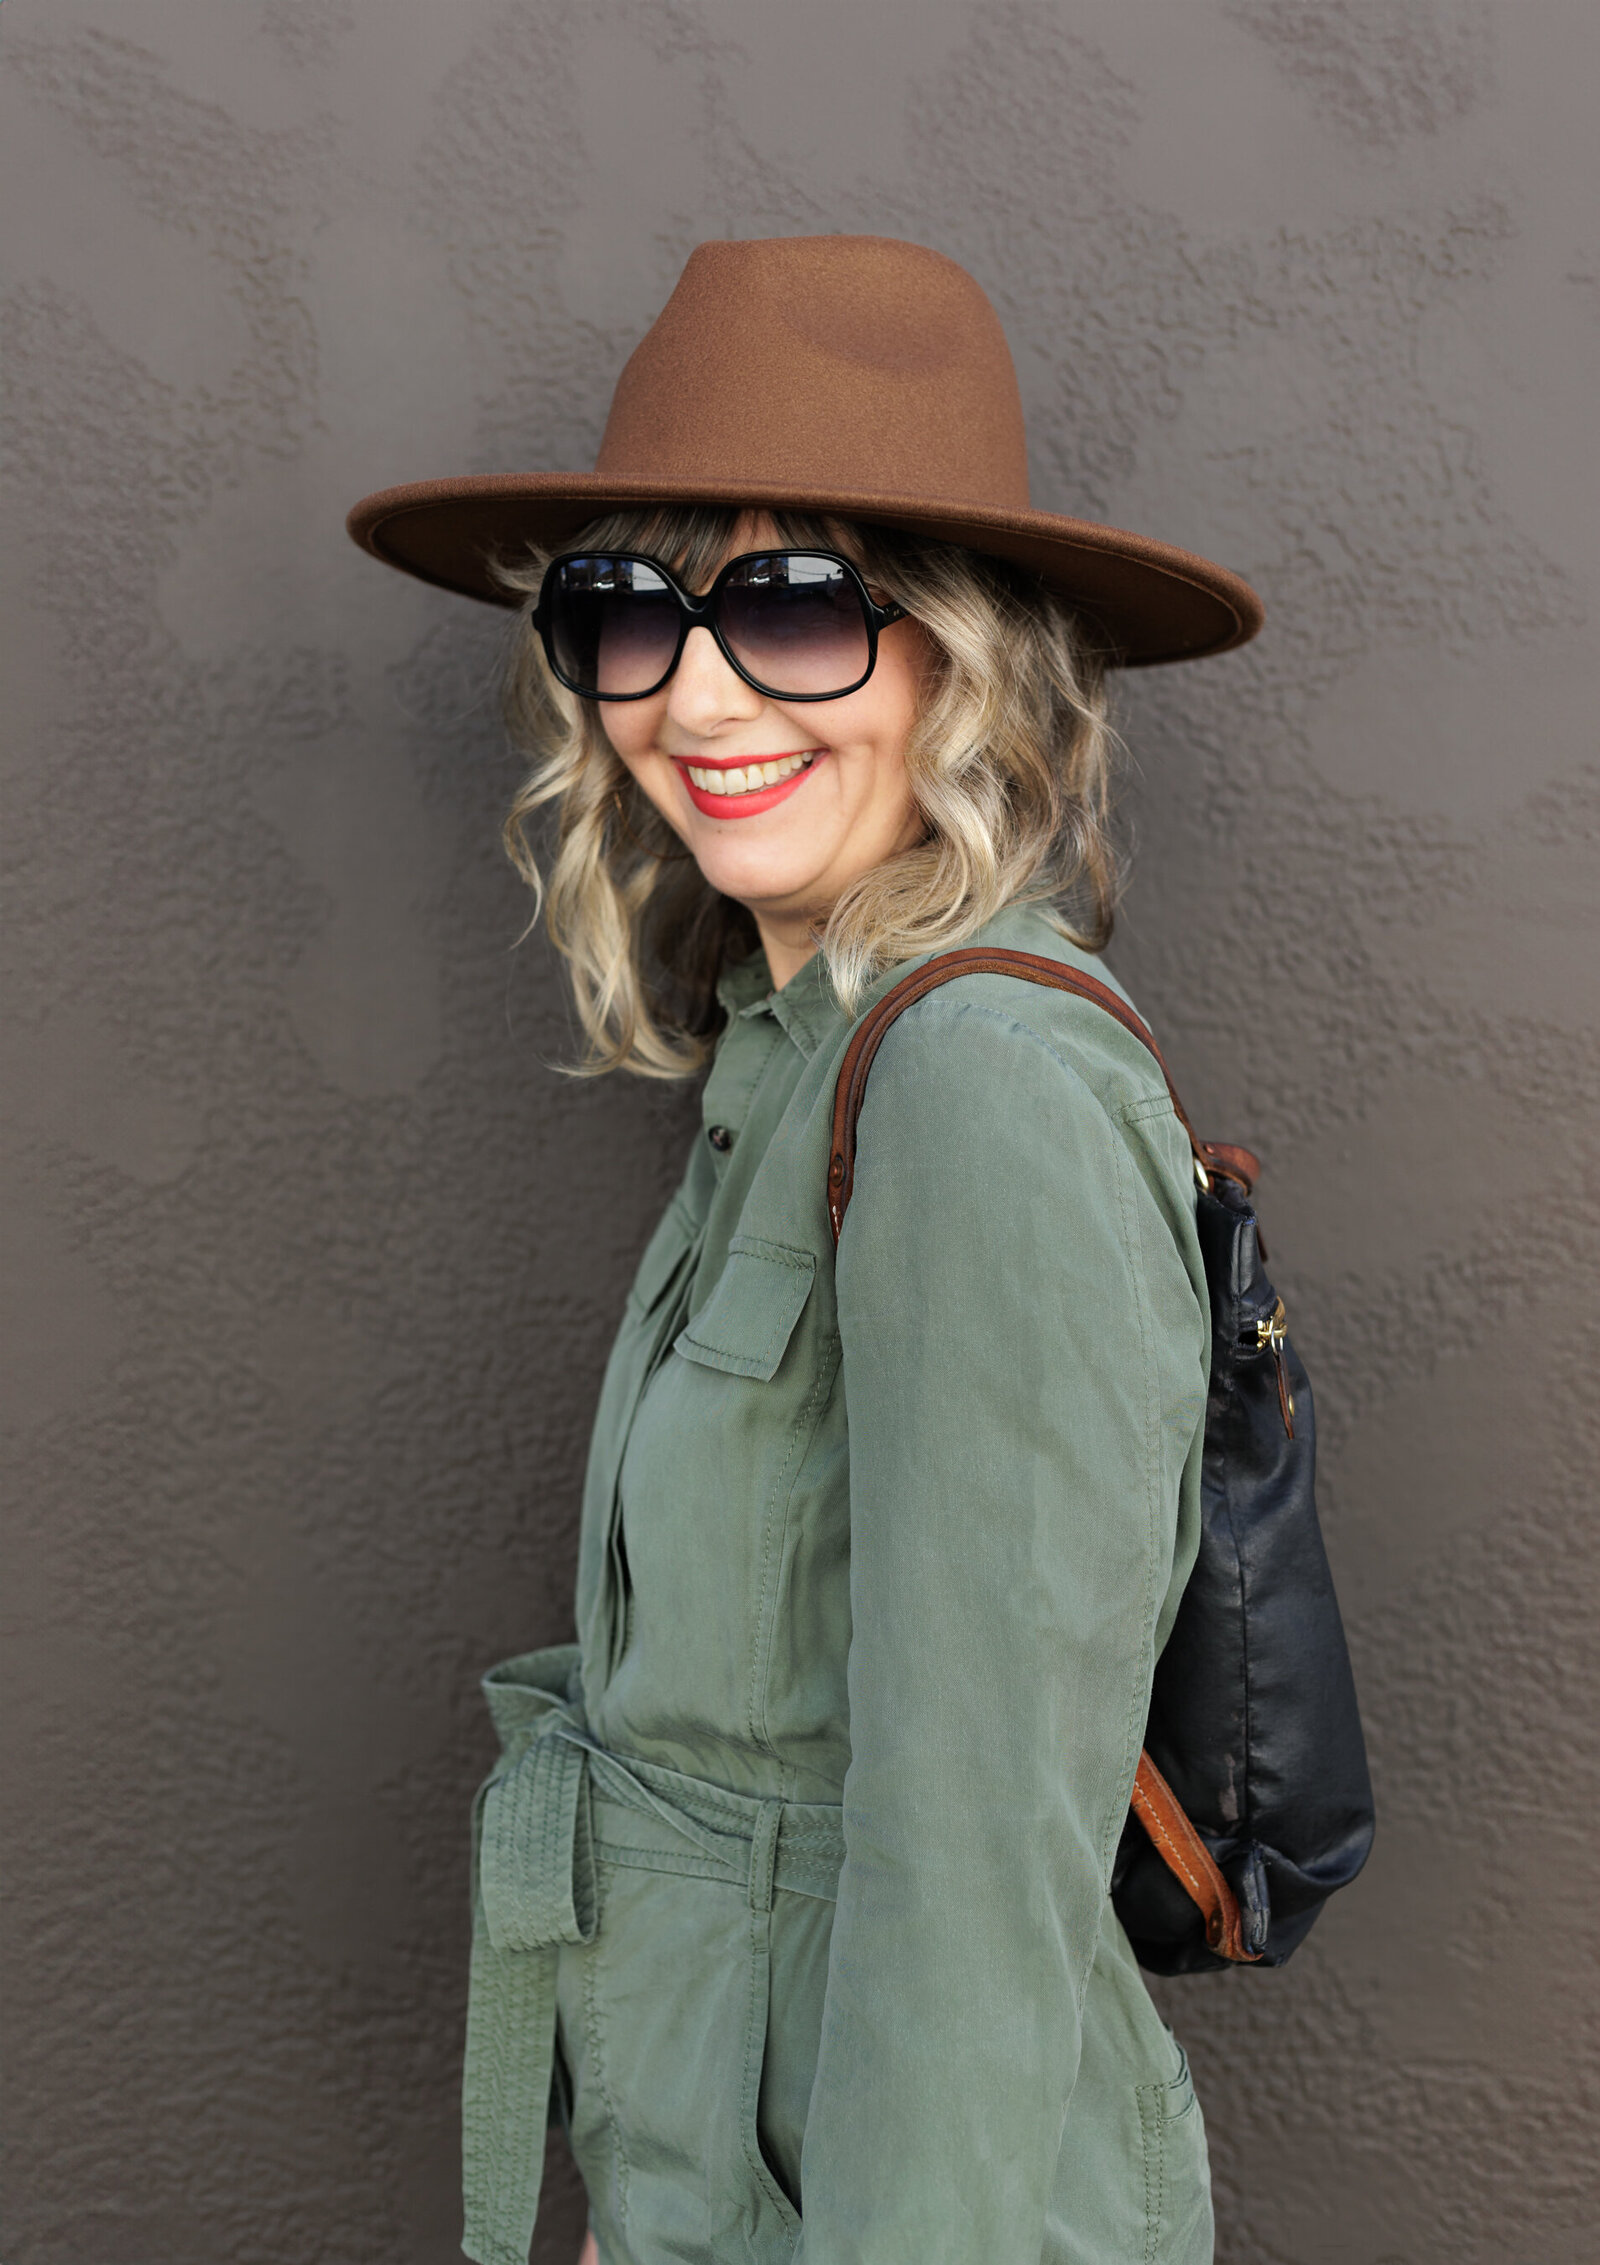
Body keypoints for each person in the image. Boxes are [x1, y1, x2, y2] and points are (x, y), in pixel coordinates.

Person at [348, 234, 1263, 2265]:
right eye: (629, 613)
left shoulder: (976, 1089)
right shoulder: (799, 1061)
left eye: (788, 610)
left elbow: (970, 1881)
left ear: (965, 653)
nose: (692, 692)